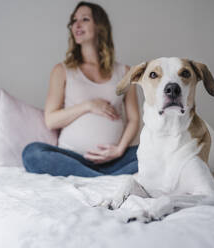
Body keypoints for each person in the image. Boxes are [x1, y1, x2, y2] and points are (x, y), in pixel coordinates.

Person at [22, 1, 140, 177]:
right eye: (73, 21)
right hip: (72, 158)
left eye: (84, 19)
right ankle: (102, 180)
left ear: (100, 27)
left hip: (114, 160)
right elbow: (51, 120)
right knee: (32, 153)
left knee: (154, 150)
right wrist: (88, 105)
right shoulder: (62, 70)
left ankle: (96, 178)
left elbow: (134, 119)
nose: (76, 25)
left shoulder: (125, 72)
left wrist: (119, 150)